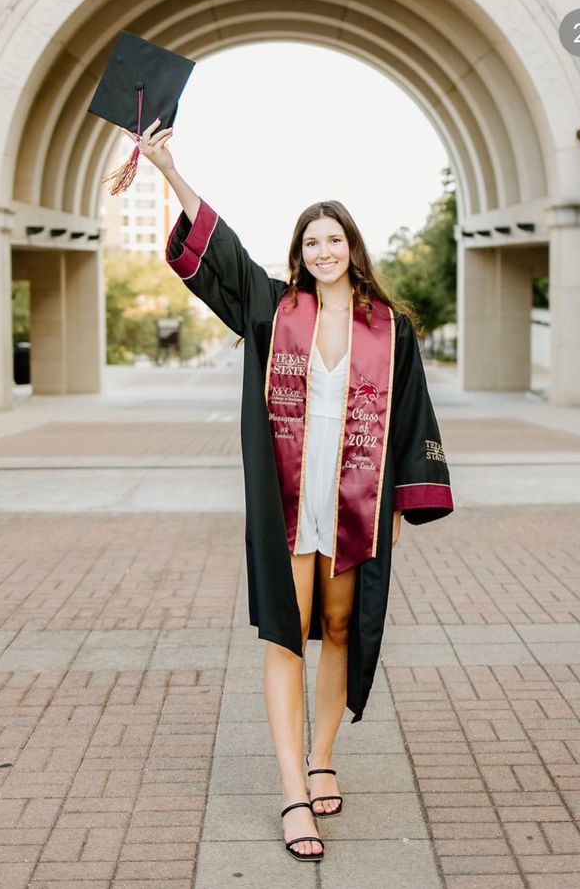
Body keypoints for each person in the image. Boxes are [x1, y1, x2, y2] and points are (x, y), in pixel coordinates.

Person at [125, 118, 454, 862]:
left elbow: (411, 417)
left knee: (339, 627)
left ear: (353, 247)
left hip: (355, 502)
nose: (324, 250)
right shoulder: (275, 310)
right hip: (288, 499)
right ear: (299, 253)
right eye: (311, 241)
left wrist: (403, 501)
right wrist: (170, 170)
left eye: (334, 239)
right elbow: (224, 251)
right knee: (285, 631)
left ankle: (324, 753)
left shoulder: (391, 328)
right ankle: (290, 788)